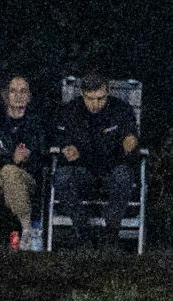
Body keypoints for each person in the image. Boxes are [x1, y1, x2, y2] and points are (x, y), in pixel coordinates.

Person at [54, 73, 140, 248]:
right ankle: (83, 230)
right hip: (83, 171)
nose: (95, 104)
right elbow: (59, 139)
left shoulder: (121, 110)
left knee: (123, 175)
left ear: (107, 93)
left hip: (112, 170)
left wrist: (131, 142)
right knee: (61, 176)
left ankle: (111, 232)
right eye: (90, 99)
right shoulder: (71, 110)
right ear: (82, 94)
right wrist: (66, 149)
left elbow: (131, 137)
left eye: (100, 98)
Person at [0, 76, 47, 251]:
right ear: (6, 96)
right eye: (13, 91)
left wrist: (28, 157)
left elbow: (43, 161)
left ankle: (27, 230)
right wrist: (9, 159)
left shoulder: (36, 124)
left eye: (23, 91)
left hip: (24, 180)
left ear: (29, 96)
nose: (18, 96)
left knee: (10, 172)